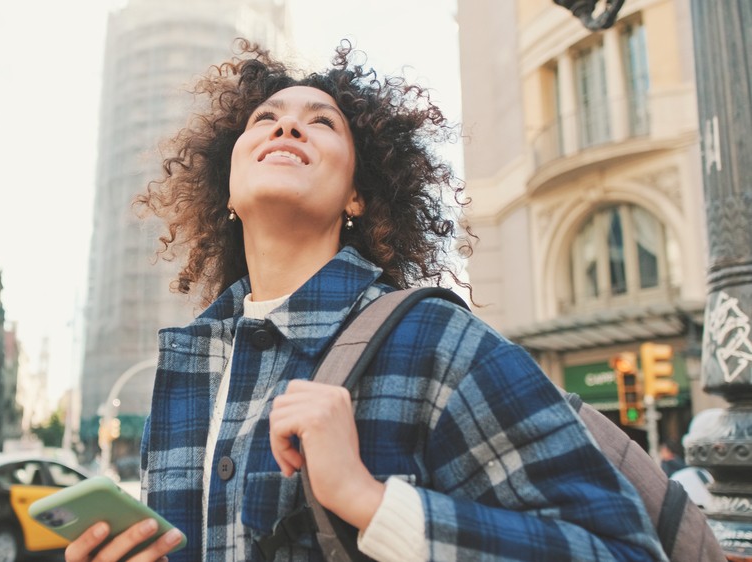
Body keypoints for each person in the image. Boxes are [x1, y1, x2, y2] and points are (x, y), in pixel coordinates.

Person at [65, 41, 667, 562]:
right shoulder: (190, 368)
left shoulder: (436, 342)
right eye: (265, 118)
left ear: (356, 195)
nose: (287, 126)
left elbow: (622, 549)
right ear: (228, 185)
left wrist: (369, 501)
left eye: (321, 121)